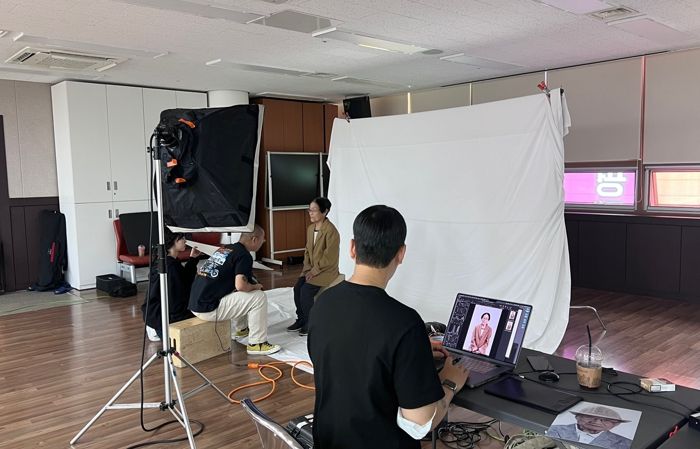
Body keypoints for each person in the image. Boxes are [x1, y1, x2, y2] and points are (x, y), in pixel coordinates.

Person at [307, 205, 470, 449]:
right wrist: (449, 382)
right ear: (401, 253)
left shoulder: (322, 303)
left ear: (352, 248)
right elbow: (421, 422)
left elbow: (347, 353)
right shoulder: (404, 323)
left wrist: (411, 351)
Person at [188, 225, 280, 356]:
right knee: (258, 297)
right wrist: (256, 287)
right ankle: (257, 344)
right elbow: (241, 285)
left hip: (196, 303)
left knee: (243, 290)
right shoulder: (244, 255)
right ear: (254, 239)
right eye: (263, 239)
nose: (264, 241)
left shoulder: (225, 248)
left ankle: (241, 330)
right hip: (208, 309)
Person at [286, 197, 340, 336]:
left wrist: (314, 271)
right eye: (309, 210)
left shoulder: (331, 231)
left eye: (314, 210)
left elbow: (329, 257)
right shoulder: (310, 229)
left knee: (306, 291)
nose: (310, 213)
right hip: (311, 269)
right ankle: (301, 319)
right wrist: (307, 270)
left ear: (325, 211)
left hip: (326, 271)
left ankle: (310, 323)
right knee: (297, 288)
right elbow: (307, 251)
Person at [141, 230, 198, 341]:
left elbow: (184, 279)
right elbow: (177, 300)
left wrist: (193, 259)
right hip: (162, 320)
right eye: (182, 238)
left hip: (155, 315)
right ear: (173, 242)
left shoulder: (166, 261)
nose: (185, 241)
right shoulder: (171, 266)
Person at [548, 405, 632, 449]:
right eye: (590, 416)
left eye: (606, 419)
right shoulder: (554, 429)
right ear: (577, 417)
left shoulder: (626, 443)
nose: (597, 422)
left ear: (615, 424)